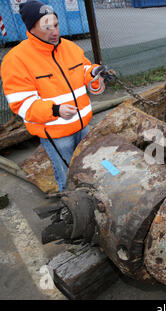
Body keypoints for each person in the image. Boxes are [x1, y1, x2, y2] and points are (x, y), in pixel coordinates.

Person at [1, 0, 107, 192]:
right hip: (57, 133)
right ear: (31, 28)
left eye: (56, 25)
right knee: (67, 174)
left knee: (88, 163)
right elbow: (22, 104)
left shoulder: (69, 48)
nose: (54, 32)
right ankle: (71, 205)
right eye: (47, 27)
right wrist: (55, 110)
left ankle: (92, 193)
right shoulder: (16, 60)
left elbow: (83, 70)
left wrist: (93, 73)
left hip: (82, 124)